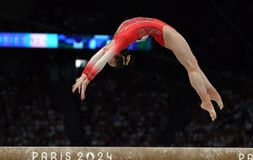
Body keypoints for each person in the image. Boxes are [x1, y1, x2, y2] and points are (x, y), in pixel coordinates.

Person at [72, 17, 223, 121]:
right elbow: (99, 58)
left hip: (164, 32)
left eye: (110, 59)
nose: (107, 55)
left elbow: (101, 60)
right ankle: (209, 95)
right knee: (192, 64)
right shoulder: (116, 41)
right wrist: (84, 77)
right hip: (162, 32)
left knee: (192, 66)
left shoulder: (119, 41)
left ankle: (207, 101)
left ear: (117, 53)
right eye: (111, 59)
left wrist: (86, 79)